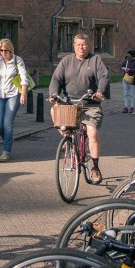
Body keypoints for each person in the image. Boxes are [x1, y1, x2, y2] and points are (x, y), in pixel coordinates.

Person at [48, 33, 108, 181]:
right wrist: (54, 94)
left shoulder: (95, 60)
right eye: (78, 44)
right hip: (69, 103)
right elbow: (56, 79)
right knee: (53, 111)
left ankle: (95, 167)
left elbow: (103, 77)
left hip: (90, 104)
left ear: (89, 45)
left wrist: (99, 92)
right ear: (74, 46)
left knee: (92, 132)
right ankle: (67, 139)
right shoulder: (66, 61)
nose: (81, 47)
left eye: (84, 44)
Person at [0, 39, 28, 162]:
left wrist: (23, 94)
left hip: (13, 95)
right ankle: (9, 140)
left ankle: (6, 151)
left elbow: (24, 79)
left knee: (7, 123)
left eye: (5, 51)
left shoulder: (18, 61)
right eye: (1, 51)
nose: (3, 53)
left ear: (11, 50)